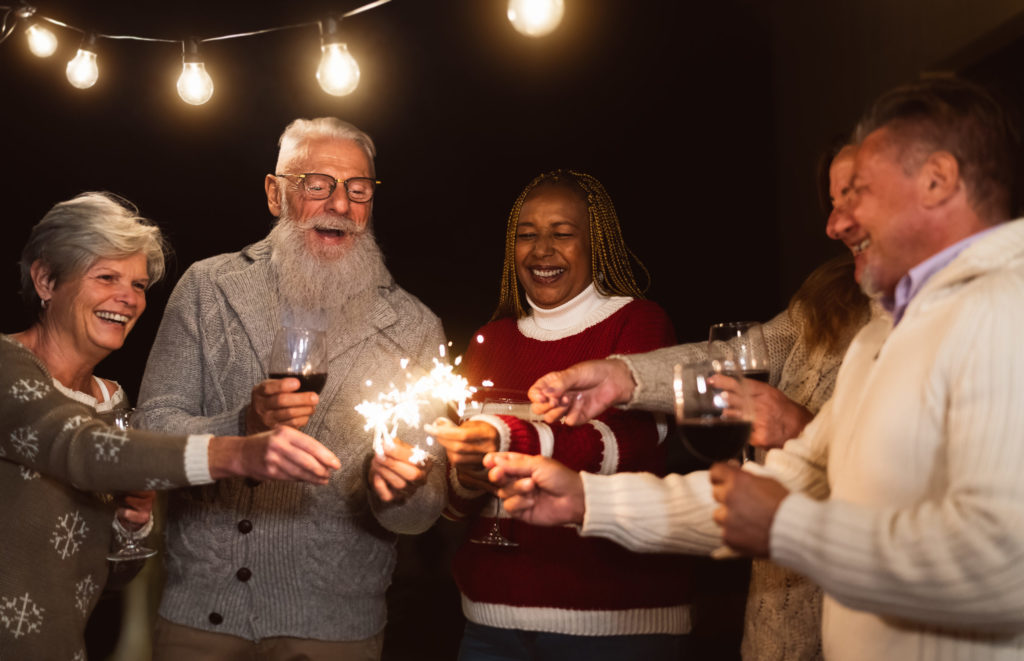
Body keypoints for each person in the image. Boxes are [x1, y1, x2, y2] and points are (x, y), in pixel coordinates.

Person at [491, 77, 1024, 660]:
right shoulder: (886, 334)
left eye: (859, 192)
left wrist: (788, 527)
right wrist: (587, 501)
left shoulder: (1004, 309)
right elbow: (780, 485)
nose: (835, 224)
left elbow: (1004, 568)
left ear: (937, 180)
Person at [135, 118, 447, 660]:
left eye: (358, 189)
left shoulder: (413, 325)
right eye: (317, 184)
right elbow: (149, 436)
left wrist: (400, 488)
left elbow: (421, 513)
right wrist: (241, 428)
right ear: (275, 193)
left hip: (334, 628)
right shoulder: (209, 289)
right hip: (202, 617)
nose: (341, 206)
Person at [0, 192, 340, 660]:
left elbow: (112, 575)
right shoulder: (6, 366)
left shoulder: (112, 400)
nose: (127, 298)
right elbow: (77, 448)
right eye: (106, 277)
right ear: (45, 280)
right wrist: (238, 451)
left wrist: (132, 526)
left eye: (138, 284)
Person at [426, 170, 689, 660]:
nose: (542, 249)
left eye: (562, 234)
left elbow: (626, 444)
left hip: (616, 625)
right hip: (488, 622)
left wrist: (507, 439)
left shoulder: (640, 322)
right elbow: (458, 505)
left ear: (597, 244)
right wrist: (463, 476)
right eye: (527, 235)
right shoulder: (491, 339)